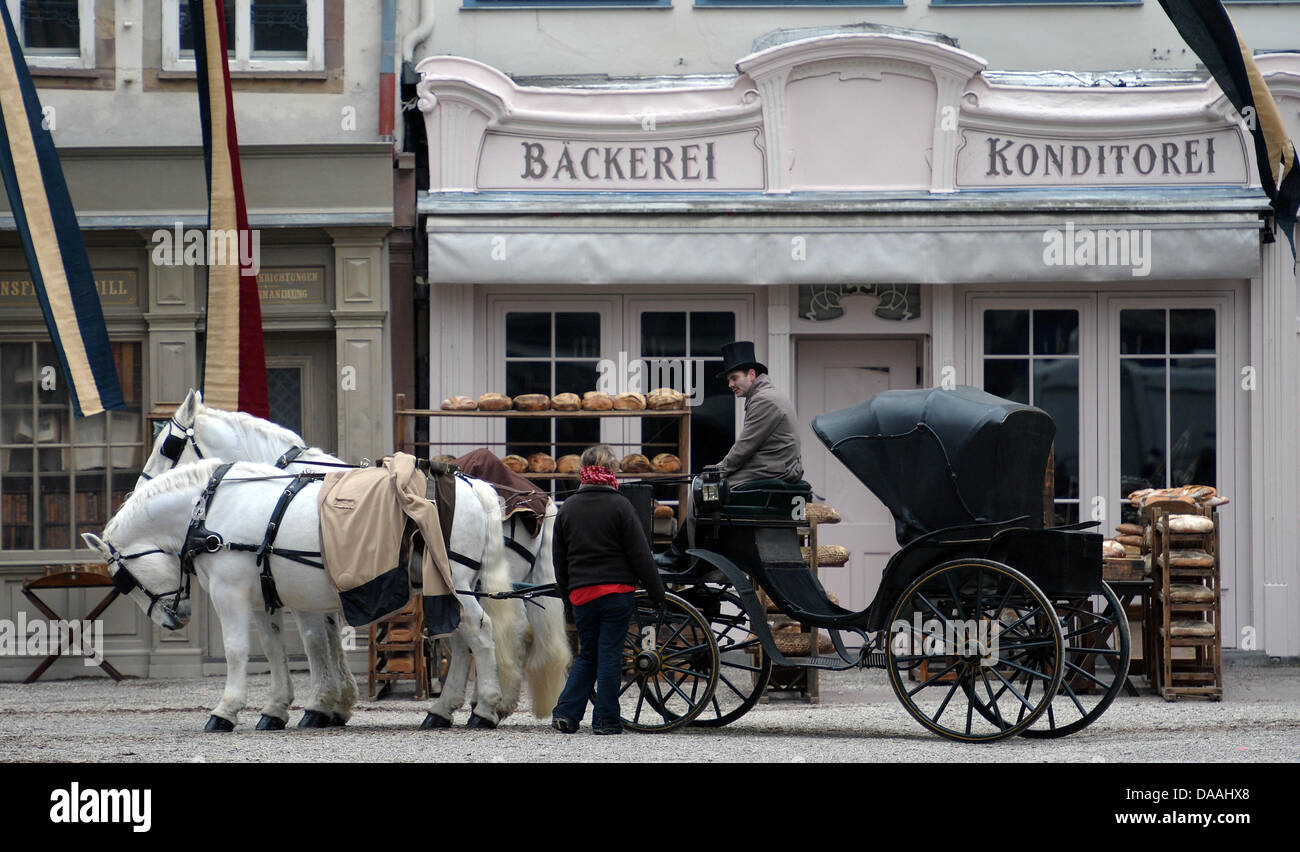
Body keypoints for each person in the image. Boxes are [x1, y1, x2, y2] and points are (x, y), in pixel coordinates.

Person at [654, 340, 804, 569]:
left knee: (703, 492)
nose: (731, 384)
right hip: (773, 466)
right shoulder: (767, 395)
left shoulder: (764, 400)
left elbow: (744, 447)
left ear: (751, 374)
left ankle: (685, 558)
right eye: (729, 380)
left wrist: (716, 471)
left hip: (772, 469)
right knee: (707, 488)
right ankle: (699, 555)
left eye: (734, 378)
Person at [551, 444, 666, 735]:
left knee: (588, 654)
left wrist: (568, 599)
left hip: (581, 595)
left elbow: (559, 561)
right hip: (615, 593)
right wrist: (657, 593)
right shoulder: (621, 506)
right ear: (611, 470)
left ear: (583, 471)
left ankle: (566, 713)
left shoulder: (569, 508)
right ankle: (606, 721)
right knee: (609, 655)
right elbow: (640, 555)